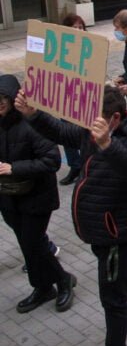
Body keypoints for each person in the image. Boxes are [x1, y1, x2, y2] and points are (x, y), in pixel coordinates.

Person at [17, 86, 127, 346]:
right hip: (102, 229)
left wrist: (108, 144)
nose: (86, 122)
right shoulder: (92, 129)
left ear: (115, 119)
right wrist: (34, 115)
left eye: (94, 117)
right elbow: (63, 132)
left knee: (113, 299)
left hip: (119, 232)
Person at [0, 75, 75, 314]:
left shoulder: (32, 122)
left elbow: (51, 160)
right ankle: (43, 288)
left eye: (3, 99)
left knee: (33, 243)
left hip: (36, 198)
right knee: (28, 244)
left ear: (14, 99)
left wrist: (14, 168)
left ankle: (63, 280)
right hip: (9, 197)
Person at [57, 13, 87, 186]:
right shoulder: (62, 49)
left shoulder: (92, 49)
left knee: (85, 134)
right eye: (74, 28)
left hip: (84, 98)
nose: (78, 31)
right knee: (66, 134)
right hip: (66, 98)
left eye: (80, 27)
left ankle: (86, 165)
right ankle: (74, 165)